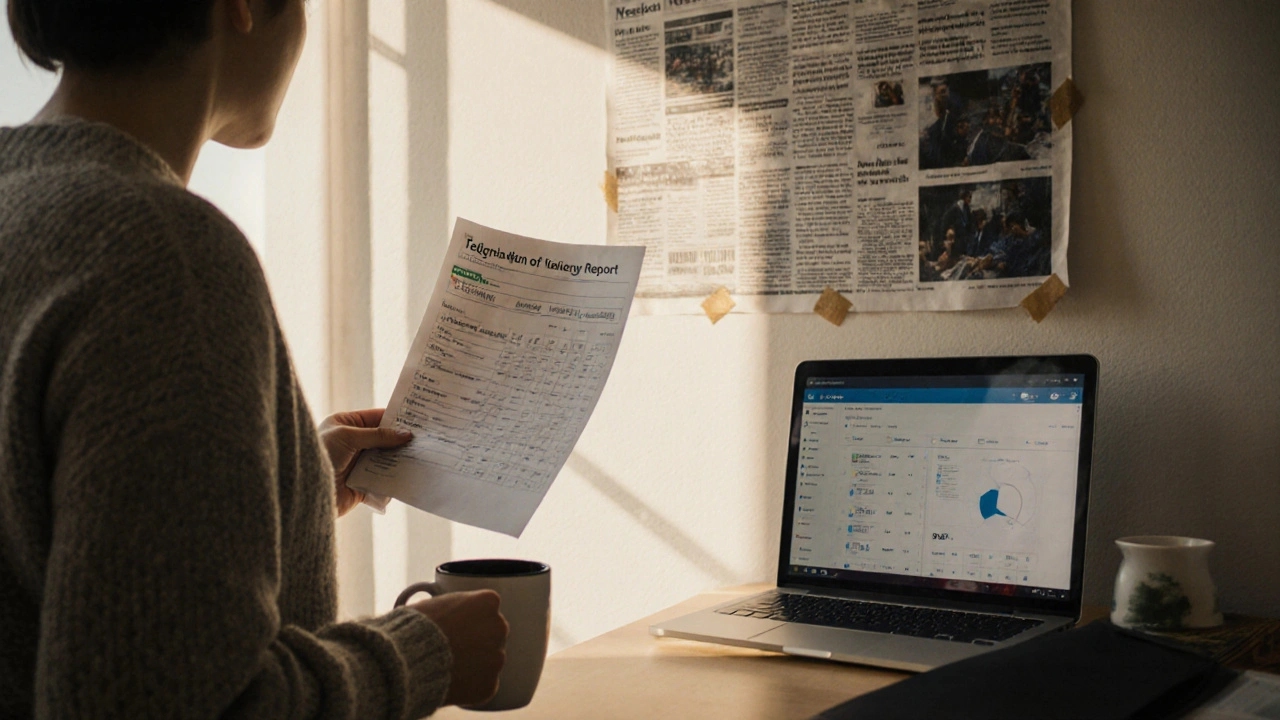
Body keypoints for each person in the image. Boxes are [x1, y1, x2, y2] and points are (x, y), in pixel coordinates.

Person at [0, 1, 508, 717]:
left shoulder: (21, 205)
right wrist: (425, 653)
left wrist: (282, 489)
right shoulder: (163, 254)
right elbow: (171, 701)